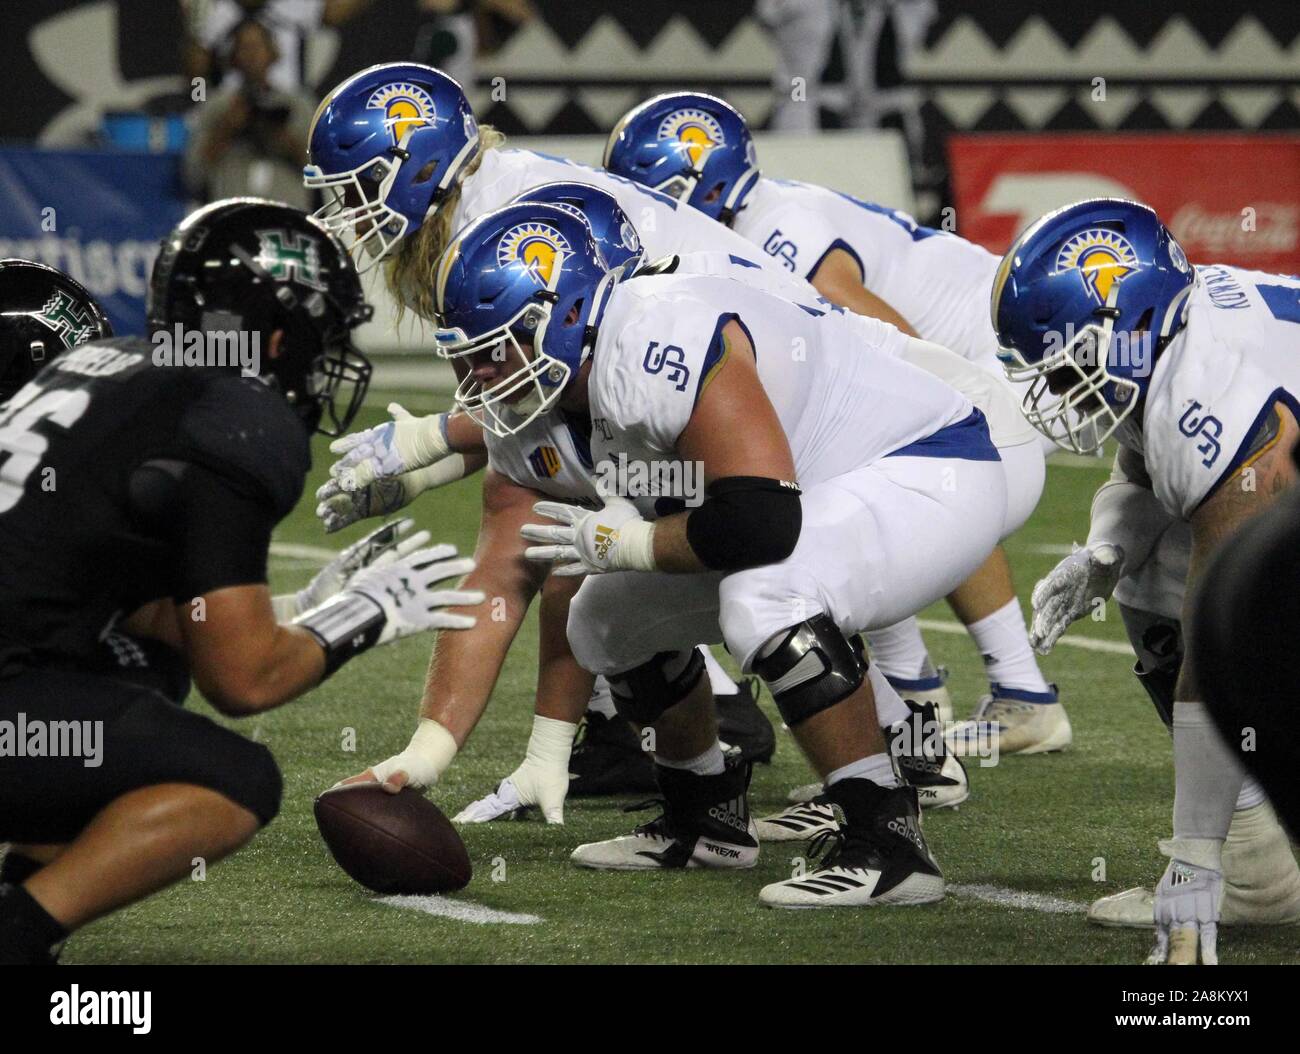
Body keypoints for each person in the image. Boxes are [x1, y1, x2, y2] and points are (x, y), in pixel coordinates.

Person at [432, 200, 1008, 907]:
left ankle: (888, 838)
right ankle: (704, 815)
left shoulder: (655, 339)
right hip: (816, 494)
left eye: (497, 347)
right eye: (467, 353)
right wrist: (427, 752)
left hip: (925, 463)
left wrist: (629, 540)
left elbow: (758, 523)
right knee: (602, 620)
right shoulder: (541, 405)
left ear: (567, 316)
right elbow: (507, 573)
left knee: (766, 596)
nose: (480, 375)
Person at [301, 61, 846, 808]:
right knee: (569, 526)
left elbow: (551, 394)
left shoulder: (513, 229)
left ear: (418, 164)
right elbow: (528, 427)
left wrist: (431, 441)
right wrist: (433, 460)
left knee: (636, 540)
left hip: (772, 384)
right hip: (711, 380)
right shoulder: (476, 215)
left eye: (358, 188)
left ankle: (771, 736)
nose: (346, 214)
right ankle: (645, 735)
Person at [0, 199, 482, 964]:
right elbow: (242, 680)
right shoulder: (233, 415)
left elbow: (154, 615)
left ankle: (20, 894)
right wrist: (365, 613)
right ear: (276, 333)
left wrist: (305, 605)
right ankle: (15, 940)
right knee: (238, 781)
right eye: (321, 335)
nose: (326, 360)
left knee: (136, 665)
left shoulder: (101, 367)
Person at [602, 90, 1064, 758]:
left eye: (649, 200)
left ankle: (978, 700)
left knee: (869, 477)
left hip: (996, 363)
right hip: (973, 370)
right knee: (855, 489)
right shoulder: (749, 224)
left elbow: (899, 354)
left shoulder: (779, 232)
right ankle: (925, 704)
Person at [992, 197, 1300, 963]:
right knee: (1151, 573)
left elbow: (1218, 643)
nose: (1057, 386)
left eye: (1065, 359)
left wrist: (1191, 863)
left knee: (1235, 626)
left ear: (1121, 324)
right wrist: (1104, 550)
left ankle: (1231, 864)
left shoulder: (1215, 399)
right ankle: (1258, 860)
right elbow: (1146, 466)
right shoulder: (1168, 338)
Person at [185, 17, 318, 208]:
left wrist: (282, 137)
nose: (252, 55)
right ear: (233, 57)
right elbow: (192, 175)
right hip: (232, 216)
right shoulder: (217, 107)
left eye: (258, 46)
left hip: (287, 217)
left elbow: (321, 172)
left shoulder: (297, 105)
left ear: (273, 53)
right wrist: (226, 130)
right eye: (244, 48)